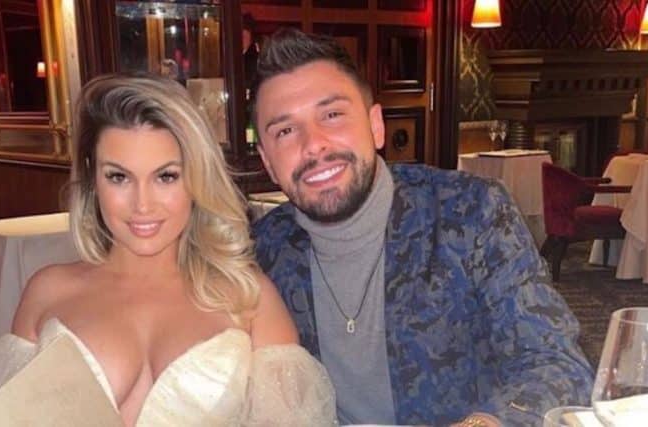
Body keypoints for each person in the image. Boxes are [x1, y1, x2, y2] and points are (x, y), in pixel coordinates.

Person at [0, 73, 336, 426]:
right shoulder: (47, 291)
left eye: (166, 176)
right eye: (119, 177)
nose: (142, 205)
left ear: (196, 178)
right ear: (93, 180)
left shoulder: (250, 299)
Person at [250, 28, 594, 427]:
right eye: (285, 131)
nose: (313, 144)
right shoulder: (263, 251)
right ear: (268, 161)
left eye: (332, 115)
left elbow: (556, 362)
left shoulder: (470, 212)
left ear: (376, 125)